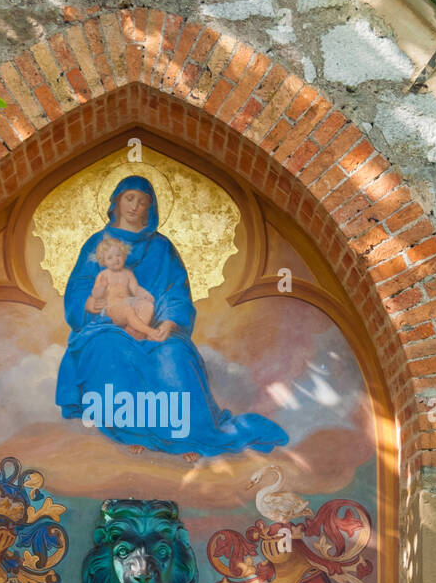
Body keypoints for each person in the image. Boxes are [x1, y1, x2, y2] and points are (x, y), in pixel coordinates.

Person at [55, 175, 289, 461]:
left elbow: (174, 291)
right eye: (129, 198)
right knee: (108, 349)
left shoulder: (161, 247)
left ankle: (188, 436)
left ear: (150, 209)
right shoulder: (97, 243)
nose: (134, 206)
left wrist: (169, 321)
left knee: (176, 355)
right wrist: (94, 304)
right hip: (108, 326)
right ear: (116, 201)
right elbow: (80, 289)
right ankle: (134, 433)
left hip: (155, 326)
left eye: (142, 202)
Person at [85, 235, 164, 341]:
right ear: (103, 261)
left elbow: (135, 289)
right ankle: (149, 331)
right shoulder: (103, 275)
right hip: (112, 307)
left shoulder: (128, 273)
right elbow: (96, 294)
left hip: (128, 302)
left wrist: (145, 294)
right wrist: (102, 287)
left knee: (148, 306)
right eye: (110, 257)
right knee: (128, 311)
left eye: (118, 255)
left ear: (124, 255)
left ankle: (133, 332)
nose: (115, 259)